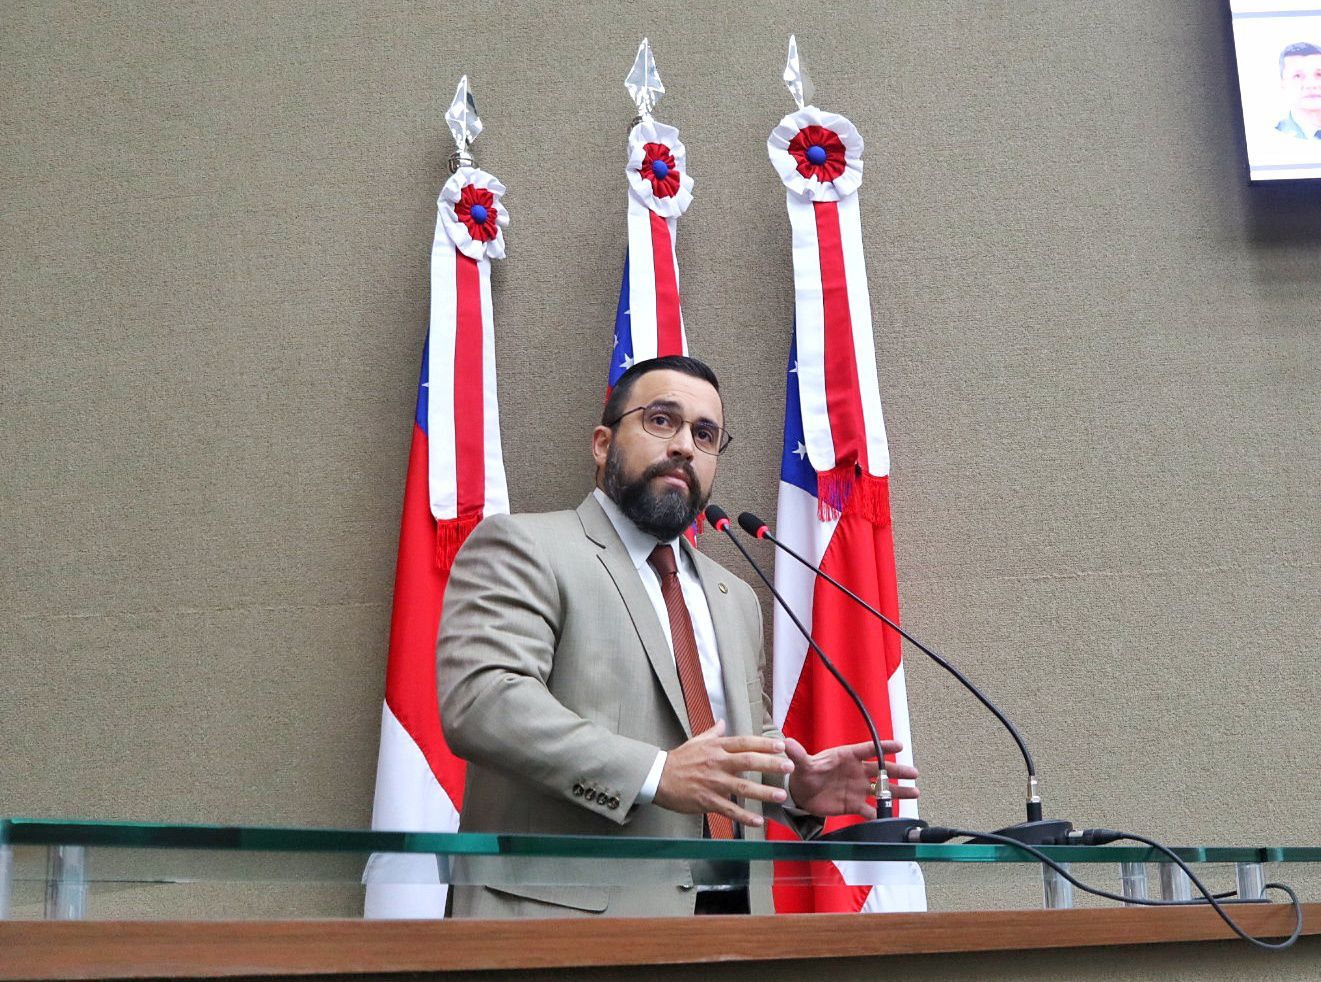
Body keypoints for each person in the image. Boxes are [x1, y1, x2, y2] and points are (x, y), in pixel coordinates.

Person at [437, 355, 918, 918]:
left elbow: (734, 739)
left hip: (733, 923)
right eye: (662, 421)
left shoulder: (733, 595)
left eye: (705, 433)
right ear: (601, 443)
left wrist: (792, 787)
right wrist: (655, 773)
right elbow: (485, 703)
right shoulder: (527, 548)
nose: (685, 445)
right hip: (564, 926)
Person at [1274, 41, 1321, 140]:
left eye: (1319, 74)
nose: (1310, 85)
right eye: (1297, 76)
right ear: (1283, 83)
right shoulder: (1271, 136)